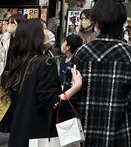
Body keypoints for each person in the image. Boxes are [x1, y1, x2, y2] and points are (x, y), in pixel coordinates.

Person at [73, 0, 131, 146]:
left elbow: (71, 96)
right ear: (122, 24)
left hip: (84, 137)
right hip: (120, 138)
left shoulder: (81, 54)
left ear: (95, 24)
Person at [5, 19, 82, 147]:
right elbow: (50, 103)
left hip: (20, 132)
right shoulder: (45, 63)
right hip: (39, 134)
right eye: (44, 29)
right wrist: (75, 87)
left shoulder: (19, 61)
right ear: (37, 36)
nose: (47, 32)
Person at [0, 14, 25, 147]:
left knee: (14, 107)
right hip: (5, 77)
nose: (9, 25)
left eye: (12, 23)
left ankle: (15, 135)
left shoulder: (25, 41)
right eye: (8, 22)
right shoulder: (5, 38)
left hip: (19, 79)